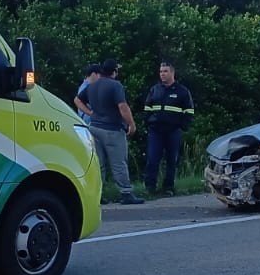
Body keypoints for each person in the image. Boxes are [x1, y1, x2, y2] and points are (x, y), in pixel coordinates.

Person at [84, 58, 144, 204]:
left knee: (99, 164)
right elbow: (123, 107)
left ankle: (98, 195)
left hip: (94, 128)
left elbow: (77, 100)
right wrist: (131, 124)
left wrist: (90, 113)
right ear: (115, 71)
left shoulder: (92, 85)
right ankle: (126, 193)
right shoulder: (115, 86)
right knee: (118, 163)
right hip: (112, 129)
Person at [141, 60, 196, 196]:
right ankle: (150, 188)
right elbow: (147, 108)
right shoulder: (155, 90)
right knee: (152, 159)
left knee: (172, 160)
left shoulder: (182, 91)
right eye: (161, 71)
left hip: (173, 131)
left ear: (172, 72)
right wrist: (148, 122)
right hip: (156, 131)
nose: (162, 74)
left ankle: (168, 187)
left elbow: (189, 111)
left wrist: (183, 126)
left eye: (165, 71)